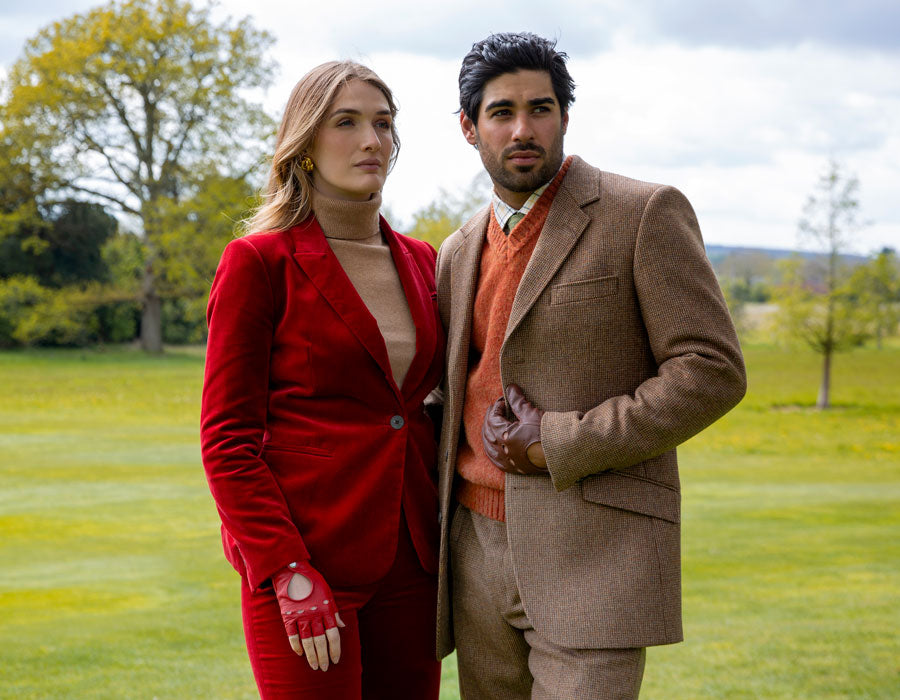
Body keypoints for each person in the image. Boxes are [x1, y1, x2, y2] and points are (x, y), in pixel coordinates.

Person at [434, 32, 747, 699]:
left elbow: (710, 369)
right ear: (469, 127)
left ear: (565, 118)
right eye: (502, 112)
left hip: (596, 551)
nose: (524, 129)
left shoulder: (642, 213)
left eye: (541, 109)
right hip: (475, 552)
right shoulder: (457, 251)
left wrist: (561, 439)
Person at [200, 61, 444, 699]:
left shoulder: (424, 261)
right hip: (307, 563)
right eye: (348, 123)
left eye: (384, 124)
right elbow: (227, 440)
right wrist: (286, 569)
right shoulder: (258, 262)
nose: (373, 140)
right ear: (304, 145)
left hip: (413, 561)